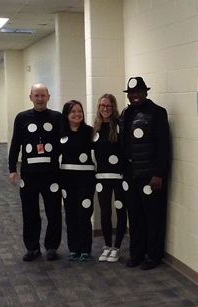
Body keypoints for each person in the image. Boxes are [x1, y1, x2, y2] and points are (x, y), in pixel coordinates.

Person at [119, 77, 171, 270]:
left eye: (139, 92)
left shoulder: (157, 113)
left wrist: (158, 174)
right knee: (135, 216)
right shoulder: (126, 113)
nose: (135, 96)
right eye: (132, 93)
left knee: (153, 217)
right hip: (131, 175)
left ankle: (153, 255)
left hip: (151, 176)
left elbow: (163, 146)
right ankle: (136, 254)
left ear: (146, 93)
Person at [8, 83, 62, 262]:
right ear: (30, 97)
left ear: (49, 96)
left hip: (52, 174)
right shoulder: (22, 118)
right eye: (36, 95)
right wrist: (12, 169)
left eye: (42, 95)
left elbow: (65, 143)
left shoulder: (56, 117)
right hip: (29, 174)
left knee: (53, 211)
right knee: (29, 212)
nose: (39, 99)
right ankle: (32, 248)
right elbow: (15, 144)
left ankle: (52, 247)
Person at [92, 94, 127, 263]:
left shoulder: (120, 126)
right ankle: (107, 245)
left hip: (120, 178)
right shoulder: (96, 129)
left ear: (113, 107)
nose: (105, 109)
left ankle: (117, 246)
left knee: (120, 211)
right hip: (101, 177)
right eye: (102, 106)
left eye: (108, 106)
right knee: (105, 212)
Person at [59, 100, 95, 262]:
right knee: (71, 214)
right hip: (67, 180)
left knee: (84, 214)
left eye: (79, 111)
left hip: (86, 180)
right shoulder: (60, 133)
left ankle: (85, 249)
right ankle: (74, 249)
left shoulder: (90, 132)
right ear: (66, 115)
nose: (77, 114)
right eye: (73, 111)